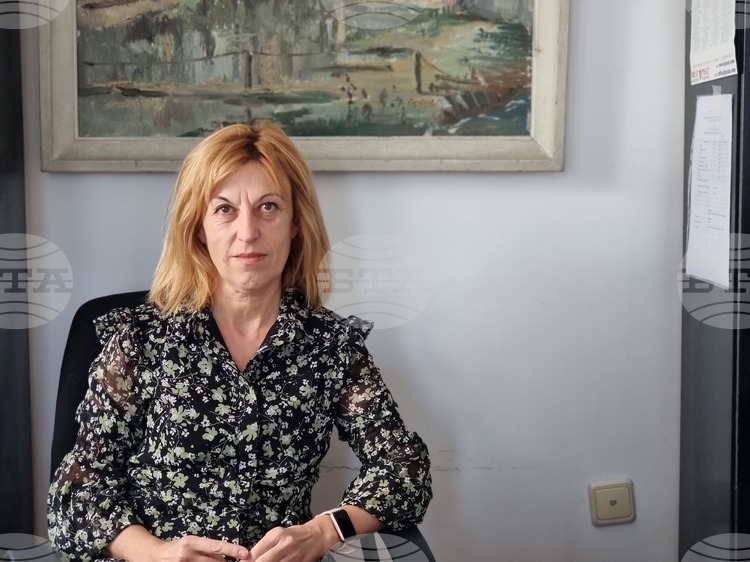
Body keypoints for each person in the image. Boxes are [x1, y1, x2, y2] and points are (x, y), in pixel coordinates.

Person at [48, 121, 432, 562]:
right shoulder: (140, 340)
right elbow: (75, 494)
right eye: (224, 209)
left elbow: (404, 468)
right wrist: (156, 553)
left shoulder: (331, 346)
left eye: (268, 207)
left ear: (295, 223)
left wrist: (325, 529)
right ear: (199, 227)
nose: (247, 232)